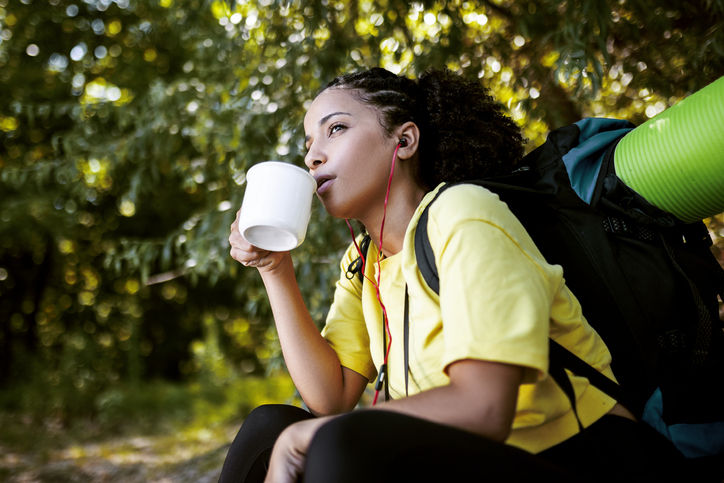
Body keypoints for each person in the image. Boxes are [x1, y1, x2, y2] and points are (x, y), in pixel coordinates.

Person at [220, 67, 685, 483]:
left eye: (335, 129)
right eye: (308, 146)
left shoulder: (461, 213)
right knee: (270, 428)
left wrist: (319, 435)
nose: (313, 158)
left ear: (402, 141)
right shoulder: (365, 263)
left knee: (337, 445)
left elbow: (485, 407)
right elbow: (330, 396)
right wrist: (274, 267)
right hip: (470, 459)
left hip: (583, 458)